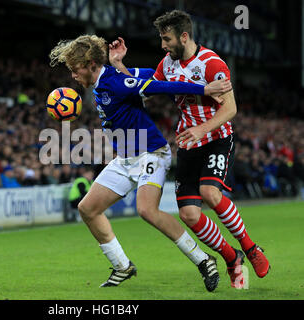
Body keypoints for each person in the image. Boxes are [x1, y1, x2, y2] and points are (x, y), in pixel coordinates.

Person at [49, 34, 232, 291]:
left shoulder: (115, 83)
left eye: (75, 69)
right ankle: (122, 266)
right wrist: (121, 63)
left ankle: (203, 260)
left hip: (151, 153)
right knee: (87, 208)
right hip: (124, 159)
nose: (73, 76)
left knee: (147, 210)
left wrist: (204, 89)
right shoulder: (108, 81)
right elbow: (151, 74)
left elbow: (157, 86)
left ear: (91, 64)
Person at [108, 10, 270, 288]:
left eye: (166, 38)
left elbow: (231, 108)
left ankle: (251, 247)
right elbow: (144, 88)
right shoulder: (167, 65)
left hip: (217, 137)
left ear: (184, 36)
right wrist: (119, 65)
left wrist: (202, 129)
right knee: (189, 215)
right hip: (189, 142)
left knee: (210, 192)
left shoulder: (212, 63)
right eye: (161, 39)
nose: (163, 45)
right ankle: (232, 257)